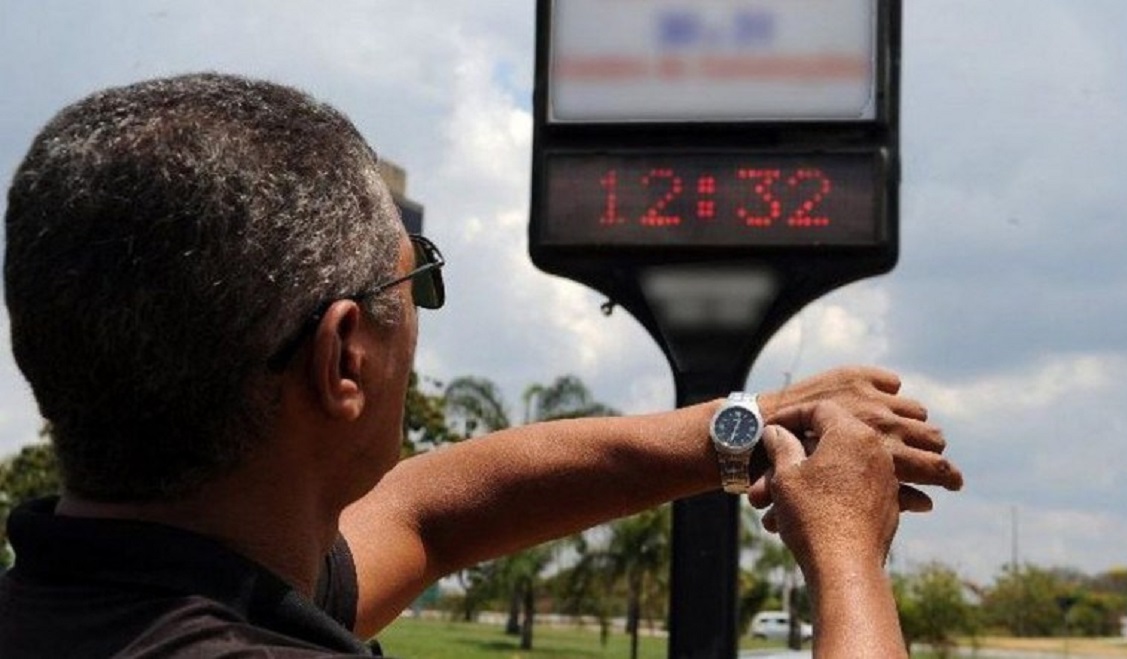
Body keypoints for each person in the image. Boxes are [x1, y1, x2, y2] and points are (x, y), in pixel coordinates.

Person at [0, 73, 962, 657]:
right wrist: (845, 555)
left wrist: (750, 421)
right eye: (418, 282)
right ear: (345, 353)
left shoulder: (124, 593)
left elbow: (431, 510)